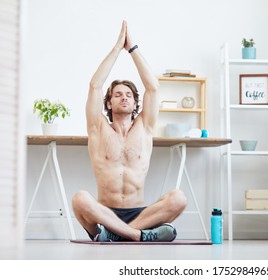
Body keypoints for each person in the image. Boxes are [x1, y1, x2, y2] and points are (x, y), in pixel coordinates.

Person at [72, 20, 187, 242]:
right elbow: (95, 85)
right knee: (80, 199)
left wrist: (132, 48)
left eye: (129, 95)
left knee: (178, 198)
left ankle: (116, 235)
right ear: (108, 103)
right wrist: (117, 48)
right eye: (117, 94)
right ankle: (137, 235)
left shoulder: (145, 127)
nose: (124, 97)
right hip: (105, 213)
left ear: (136, 104)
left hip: (140, 212)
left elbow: (153, 87)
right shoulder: (97, 127)